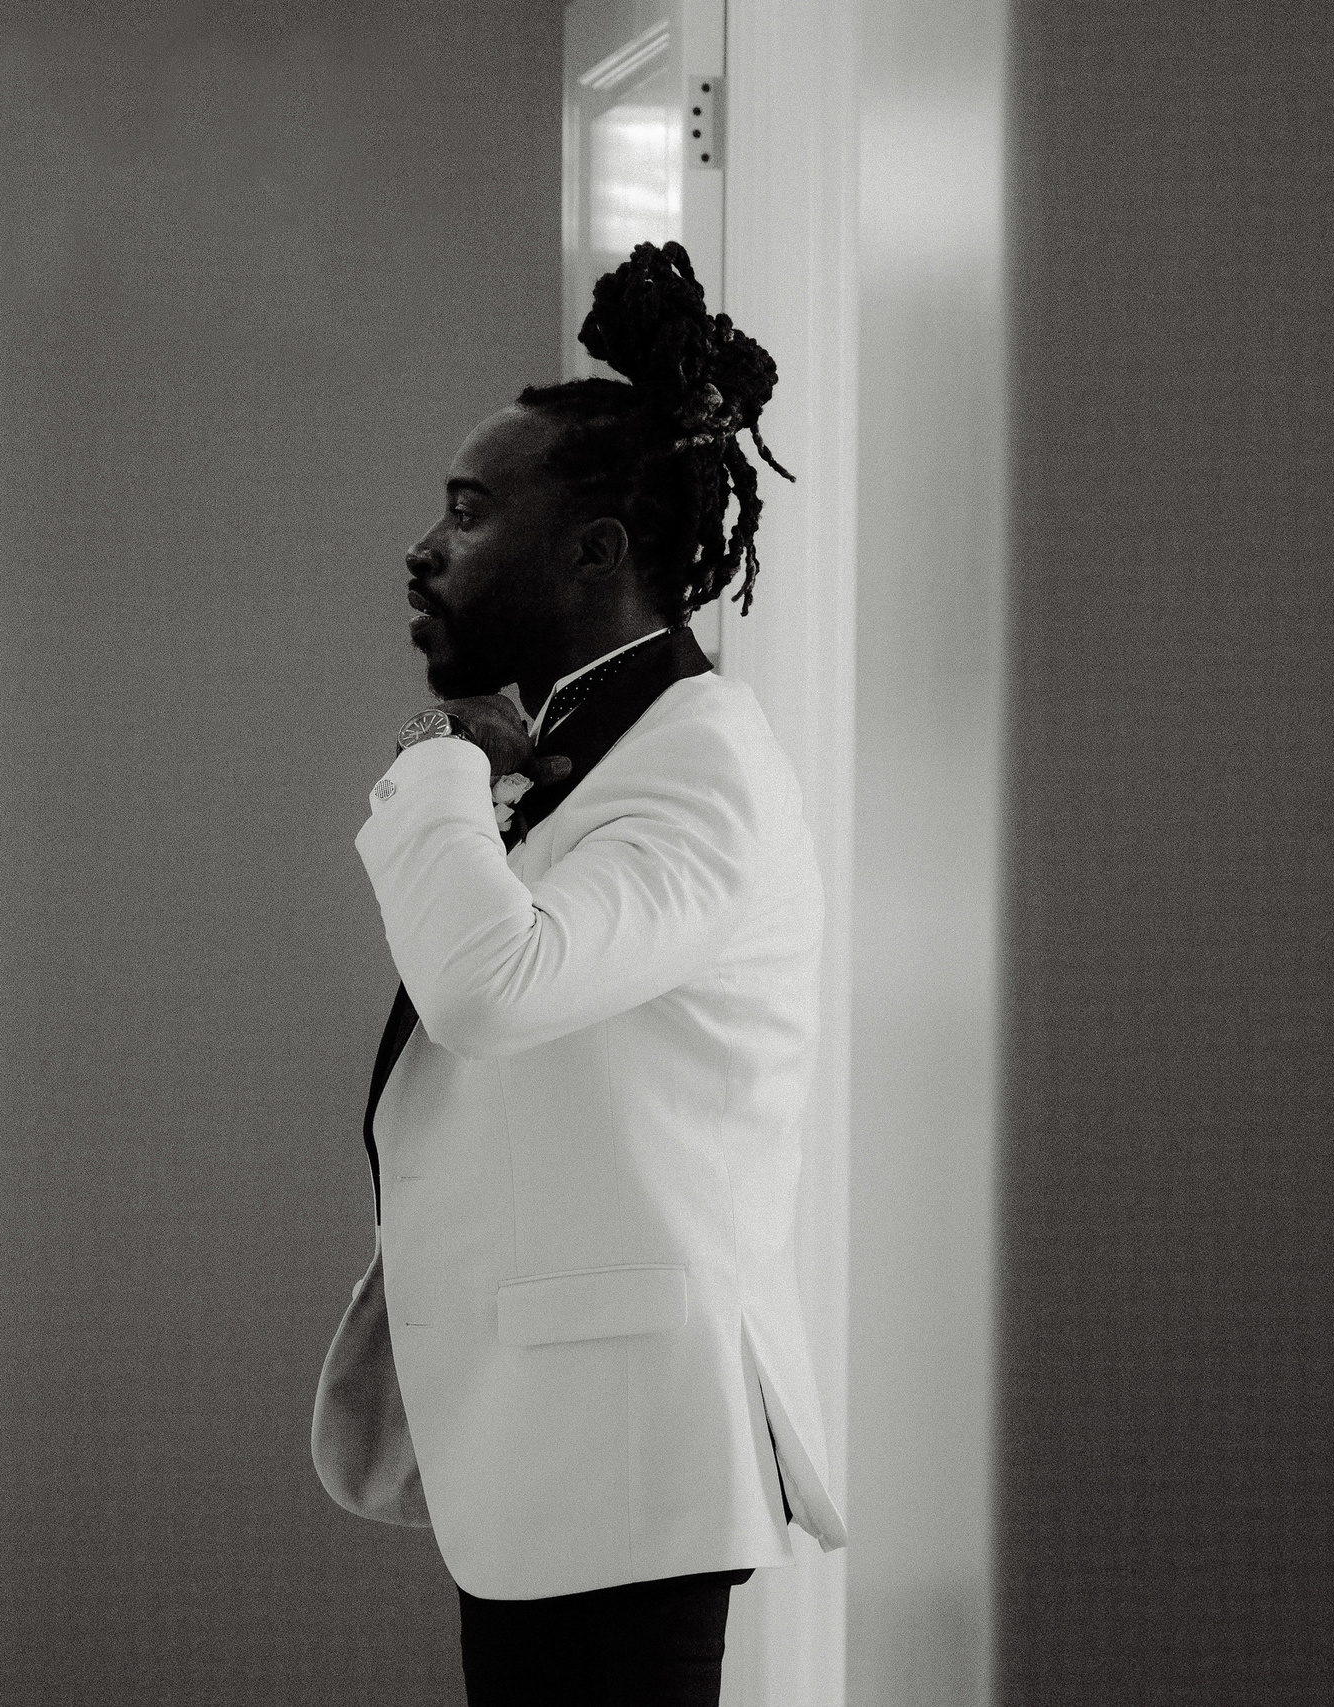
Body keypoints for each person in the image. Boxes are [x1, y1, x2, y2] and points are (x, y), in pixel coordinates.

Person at [309, 240, 844, 1707]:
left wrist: (434, 770)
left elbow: (493, 988)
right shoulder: (590, 746)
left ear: (598, 550)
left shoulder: (700, 769)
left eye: (470, 513)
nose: (426, 546)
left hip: (626, 1451)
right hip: (565, 1443)